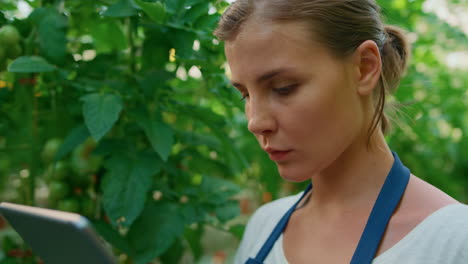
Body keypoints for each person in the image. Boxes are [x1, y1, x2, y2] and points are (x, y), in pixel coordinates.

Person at [213, 0, 468, 263]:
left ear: (365, 67)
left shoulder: (454, 240)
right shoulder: (264, 225)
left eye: (283, 87)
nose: (255, 122)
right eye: (245, 95)